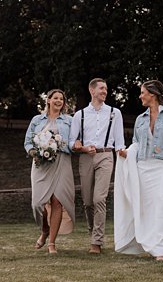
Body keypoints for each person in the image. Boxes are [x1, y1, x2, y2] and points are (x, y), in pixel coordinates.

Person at [115, 80, 163, 261]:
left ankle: (160, 247)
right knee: (146, 206)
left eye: (143, 92)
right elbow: (136, 143)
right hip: (144, 165)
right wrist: (126, 153)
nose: (140, 96)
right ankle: (151, 243)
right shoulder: (140, 119)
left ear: (152, 94)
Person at [68, 78, 126, 254]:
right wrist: (83, 147)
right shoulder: (80, 115)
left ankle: (97, 241)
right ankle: (93, 232)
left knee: (99, 198)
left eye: (106, 89)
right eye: (101, 88)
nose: (104, 91)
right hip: (86, 158)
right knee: (87, 201)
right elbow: (71, 142)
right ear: (92, 91)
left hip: (106, 156)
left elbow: (120, 141)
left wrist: (123, 154)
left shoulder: (115, 113)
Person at [24, 89, 75, 254]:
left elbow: (74, 141)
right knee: (38, 203)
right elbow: (28, 141)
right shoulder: (37, 120)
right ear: (48, 100)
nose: (58, 101)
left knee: (57, 201)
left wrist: (59, 144)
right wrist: (34, 152)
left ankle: (52, 242)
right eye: (55, 98)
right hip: (41, 163)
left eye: (61, 99)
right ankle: (44, 229)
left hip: (62, 161)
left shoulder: (69, 120)